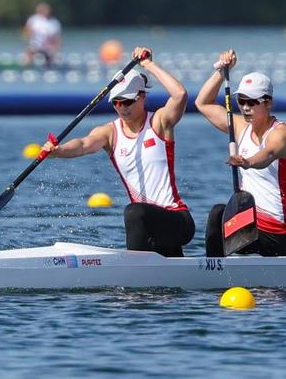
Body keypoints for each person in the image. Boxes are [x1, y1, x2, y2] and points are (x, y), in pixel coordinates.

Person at [41, 47, 195, 257]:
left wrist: (148, 65)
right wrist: (58, 151)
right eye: (117, 102)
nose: (122, 108)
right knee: (140, 219)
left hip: (177, 221)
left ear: (142, 97)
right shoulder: (109, 133)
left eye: (128, 101)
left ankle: (134, 277)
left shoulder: (159, 122)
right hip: (149, 230)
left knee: (134, 211)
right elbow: (84, 144)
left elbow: (180, 94)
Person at [195, 49, 286, 257]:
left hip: (279, 233)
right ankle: (214, 273)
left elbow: (268, 154)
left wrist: (247, 161)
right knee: (218, 213)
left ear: (268, 102)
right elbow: (203, 103)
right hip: (251, 225)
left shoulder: (282, 134)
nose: (245, 107)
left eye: (252, 102)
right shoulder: (240, 127)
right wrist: (222, 71)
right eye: (241, 101)